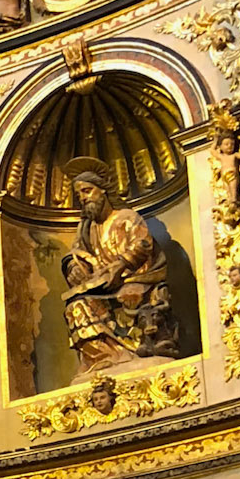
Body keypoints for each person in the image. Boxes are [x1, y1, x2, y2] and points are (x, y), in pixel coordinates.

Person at [60, 156, 181, 376]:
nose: (83, 198)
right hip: (102, 290)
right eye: (79, 195)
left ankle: (136, 353)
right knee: (75, 307)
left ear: (102, 190)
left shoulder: (126, 217)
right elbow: (76, 253)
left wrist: (121, 265)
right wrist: (73, 267)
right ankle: (104, 358)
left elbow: (143, 244)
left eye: (87, 191)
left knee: (130, 295)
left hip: (136, 281)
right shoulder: (87, 229)